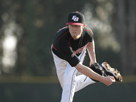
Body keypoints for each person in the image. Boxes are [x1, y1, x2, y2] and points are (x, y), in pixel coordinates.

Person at [51, 11, 115, 102]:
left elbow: (90, 41)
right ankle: (96, 74)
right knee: (68, 86)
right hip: (60, 57)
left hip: (78, 53)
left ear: (83, 26)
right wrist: (103, 79)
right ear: (68, 26)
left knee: (69, 77)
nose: (74, 28)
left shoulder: (87, 33)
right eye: (72, 25)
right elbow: (79, 68)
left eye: (77, 25)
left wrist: (93, 61)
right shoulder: (62, 40)